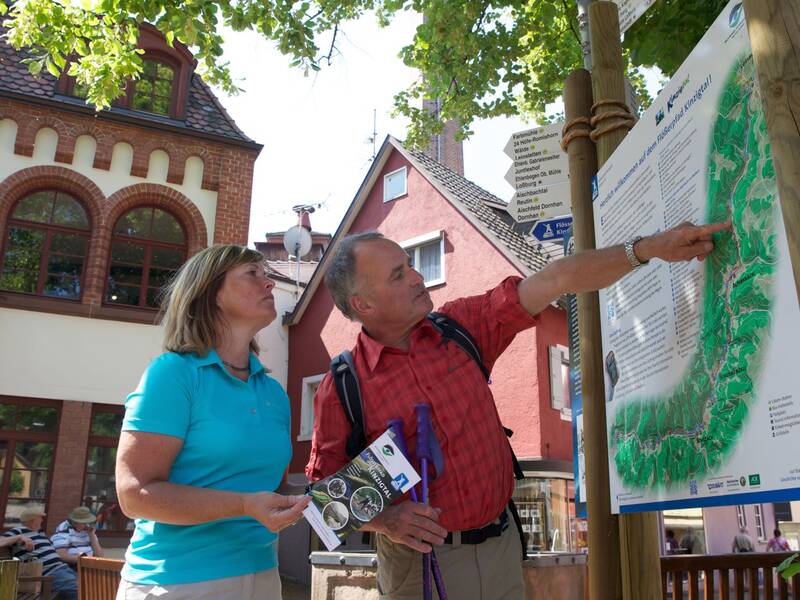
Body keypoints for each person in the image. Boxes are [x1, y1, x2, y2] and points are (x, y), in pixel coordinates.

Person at [306, 222, 729, 599]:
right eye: (400, 274)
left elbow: (555, 278)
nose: (418, 277)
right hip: (417, 569)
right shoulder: (343, 386)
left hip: (502, 548)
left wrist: (648, 248)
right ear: (364, 305)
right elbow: (324, 503)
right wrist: (388, 520)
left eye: (411, 264)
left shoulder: (460, 327)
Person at [115, 245, 311, 600]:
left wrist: (346, 492)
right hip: (176, 582)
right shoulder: (173, 374)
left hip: (264, 578)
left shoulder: (273, 392)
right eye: (253, 274)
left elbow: (273, 491)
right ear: (211, 294)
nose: (269, 284)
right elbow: (134, 495)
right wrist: (244, 505)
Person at [2, 507, 78, 600]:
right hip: (49, 573)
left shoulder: (40, 534)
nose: (42, 520)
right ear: (33, 520)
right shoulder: (19, 531)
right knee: (78, 591)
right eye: (40, 518)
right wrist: (19, 537)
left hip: (63, 569)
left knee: (89, 586)